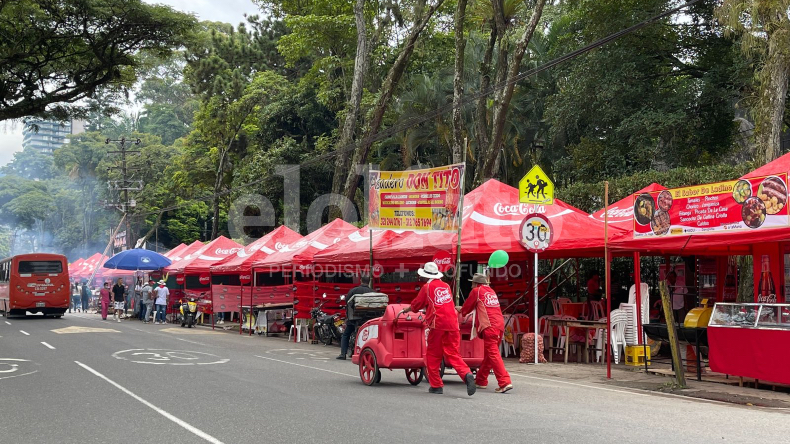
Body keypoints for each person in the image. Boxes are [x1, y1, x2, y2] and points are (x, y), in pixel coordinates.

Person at [399, 262, 476, 396]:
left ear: (425, 276)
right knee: (453, 353)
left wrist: (407, 309)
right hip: (453, 323)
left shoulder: (427, 287)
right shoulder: (446, 286)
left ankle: (436, 385)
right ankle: (467, 374)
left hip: (437, 323)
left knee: (433, 355)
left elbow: (417, 305)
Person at [459, 273, 513, 393]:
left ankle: (504, 382)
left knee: (493, 354)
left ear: (476, 283)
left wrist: (461, 310)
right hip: (499, 324)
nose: (471, 286)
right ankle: (481, 380)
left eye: (472, 283)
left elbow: (467, 308)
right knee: (489, 355)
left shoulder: (476, 291)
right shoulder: (491, 291)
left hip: (489, 326)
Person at [336, 275, 373, 360]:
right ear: (369, 282)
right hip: (368, 319)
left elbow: (347, 302)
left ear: (360, 281)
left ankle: (343, 354)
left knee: (346, 334)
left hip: (354, 318)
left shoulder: (354, 290)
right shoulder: (372, 292)